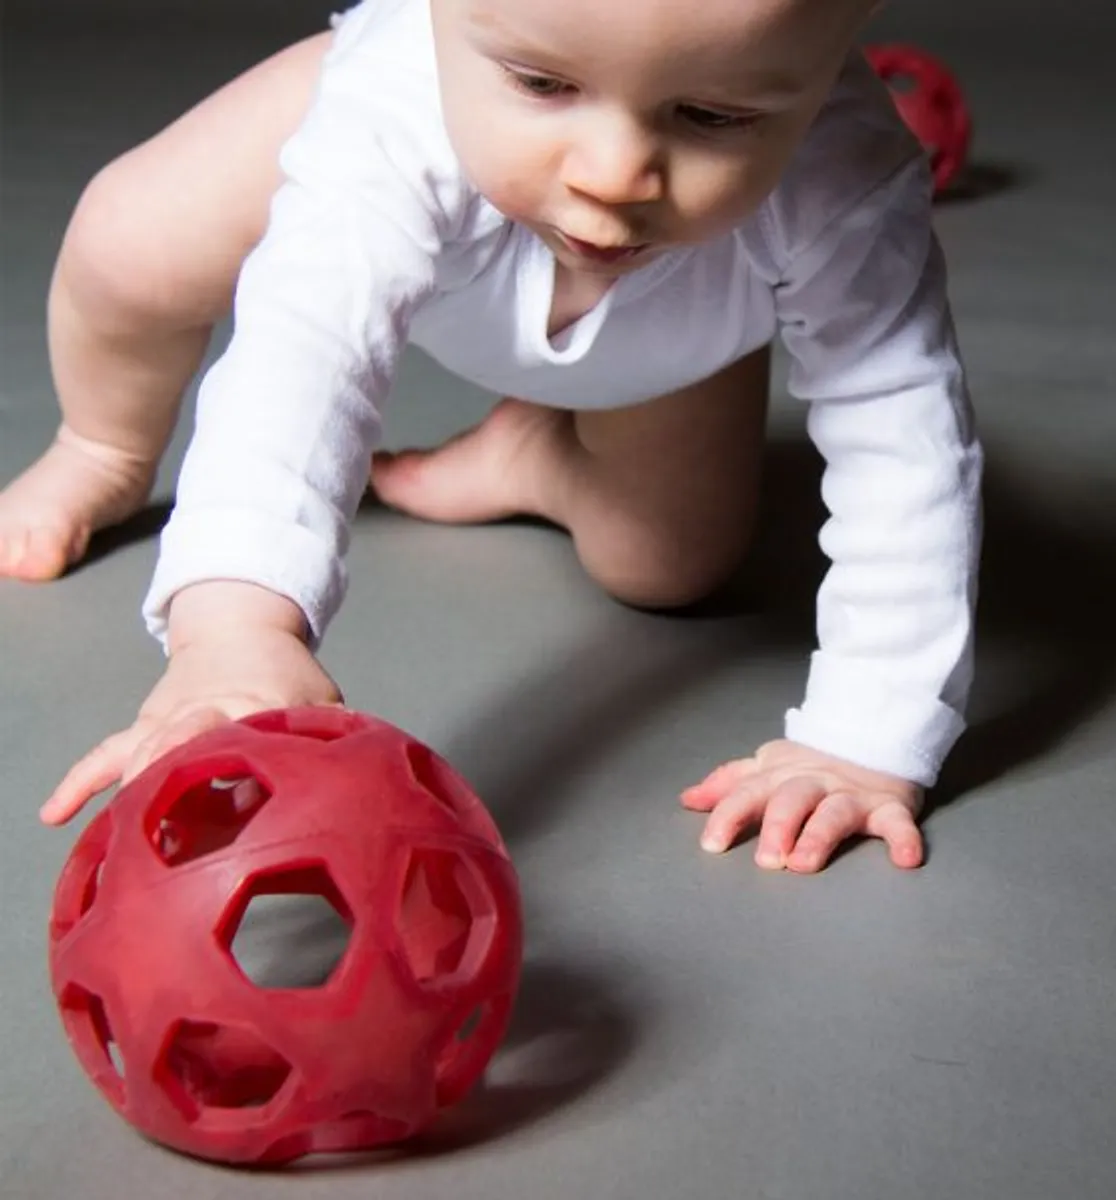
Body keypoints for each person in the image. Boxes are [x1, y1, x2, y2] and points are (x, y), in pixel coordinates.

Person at [4, 0, 982, 873]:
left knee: (670, 564)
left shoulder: (843, 177)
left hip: (677, 307)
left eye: (714, 114)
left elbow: (905, 430)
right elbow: (302, 357)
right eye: (543, 82)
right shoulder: (386, 119)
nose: (613, 175)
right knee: (132, 247)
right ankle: (102, 448)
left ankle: (538, 455)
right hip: (401, 199)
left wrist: (869, 735)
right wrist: (235, 629)